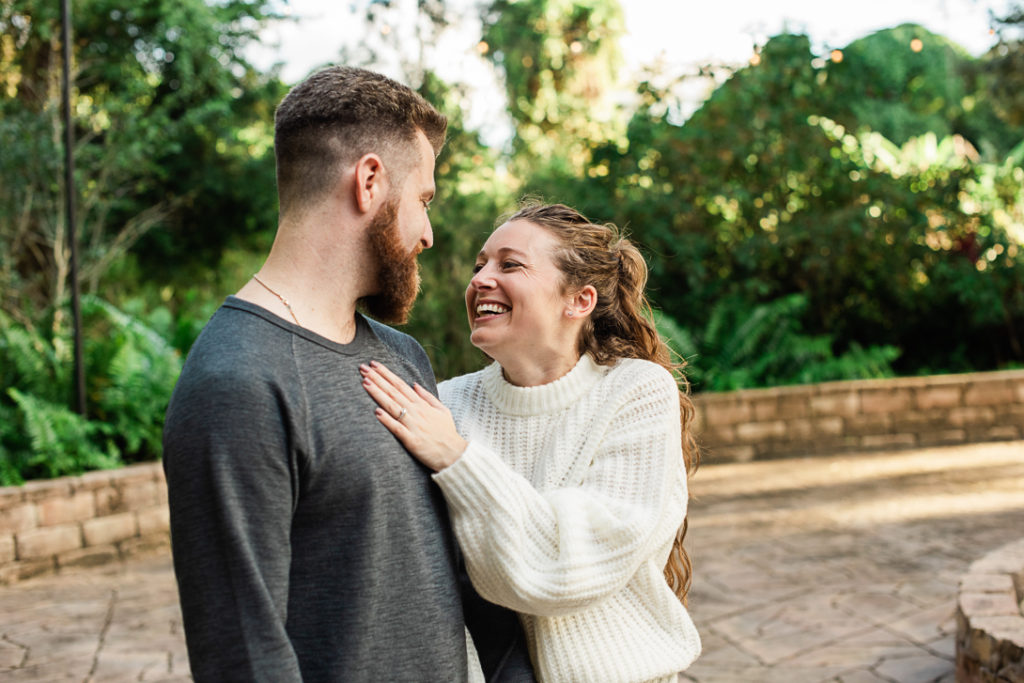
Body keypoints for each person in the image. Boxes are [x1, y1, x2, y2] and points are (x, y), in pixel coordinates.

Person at [162, 66, 531, 682]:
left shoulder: (402, 356)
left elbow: (466, 575)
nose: (429, 234)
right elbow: (245, 657)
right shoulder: (237, 384)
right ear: (368, 182)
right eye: (424, 200)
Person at [360, 203, 703, 682]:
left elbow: (566, 568)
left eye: (510, 264)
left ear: (579, 301)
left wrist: (458, 459)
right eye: (480, 265)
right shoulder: (447, 405)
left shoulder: (635, 391)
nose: (481, 279)